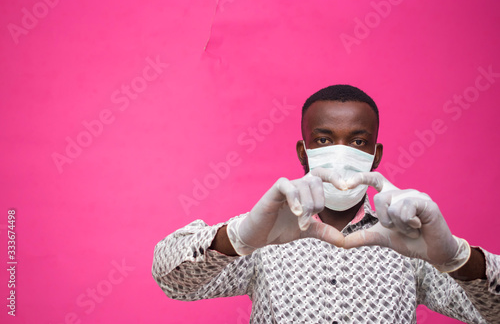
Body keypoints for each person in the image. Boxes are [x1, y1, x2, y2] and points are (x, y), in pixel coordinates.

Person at [152, 85, 500, 323]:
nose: (340, 151)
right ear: (303, 151)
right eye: (324, 139)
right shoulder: (265, 232)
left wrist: (458, 258)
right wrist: (238, 238)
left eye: (358, 140)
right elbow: (172, 281)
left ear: (375, 155)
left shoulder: (411, 240)